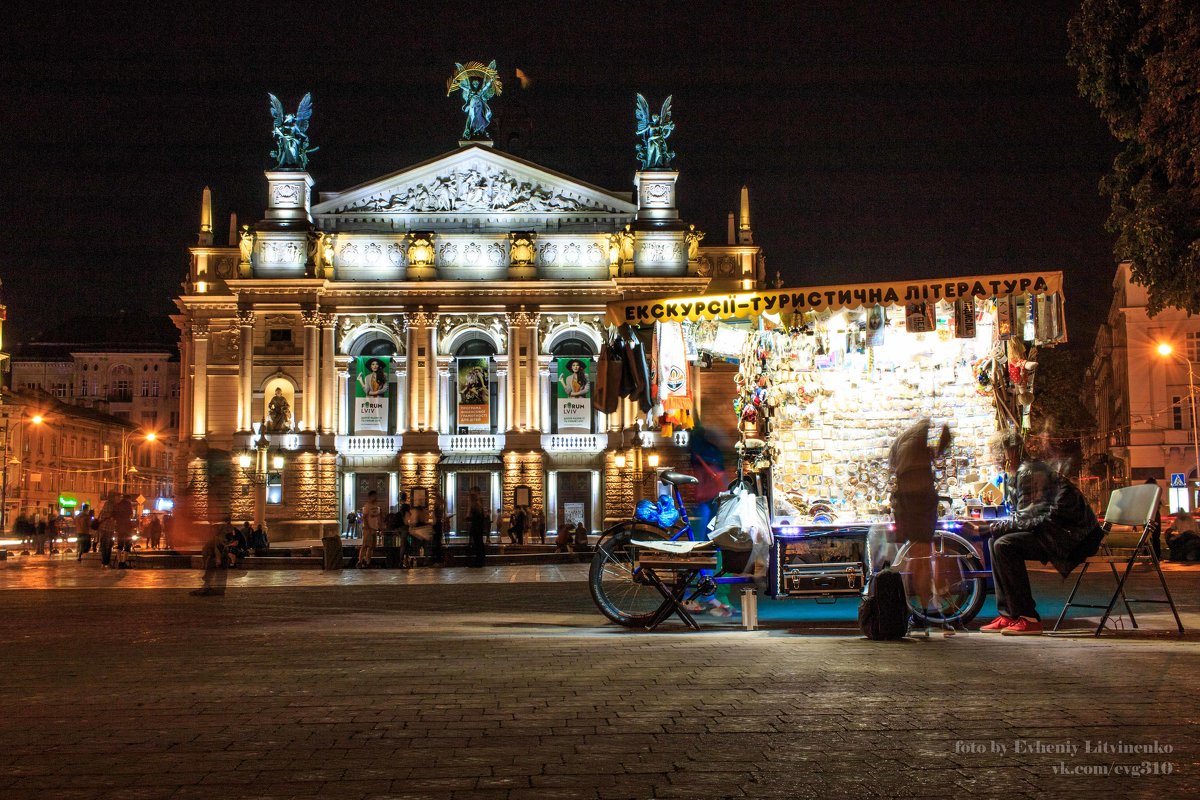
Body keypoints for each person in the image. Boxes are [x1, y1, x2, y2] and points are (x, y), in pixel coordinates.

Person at [970, 429, 1105, 636]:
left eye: (999, 454)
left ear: (1010, 452)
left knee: (1004, 545)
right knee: (995, 542)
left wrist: (990, 527)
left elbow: (1027, 518)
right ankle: (1009, 614)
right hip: (1056, 530)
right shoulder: (1022, 472)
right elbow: (1027, 515)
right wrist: (994, 528)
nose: (997, 460)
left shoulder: (1028, 472)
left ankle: (1028, 618)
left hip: (1074, 536)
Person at [888, 418, 953, 623]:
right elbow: (938, 450)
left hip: (907, 504)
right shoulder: (919, 446)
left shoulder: (904, 443)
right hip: (918, 504)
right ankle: (922, 611)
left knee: (916, 559)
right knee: (922, 558)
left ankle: (916, 610)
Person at [192, 523, 230, 597]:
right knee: (215, 575)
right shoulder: (217, 539)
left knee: (215, 575)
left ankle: (213, 589)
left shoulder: (217, 539)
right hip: (216, 560)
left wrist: (217, 559)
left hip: (216, 560)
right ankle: (212, 589)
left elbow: (218, 549)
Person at [356, 490, 383, 568]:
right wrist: (367, 527)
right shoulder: (367, 506)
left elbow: (378, 517)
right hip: (368, 529)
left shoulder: (377, 507)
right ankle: (360, 561)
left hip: (374, 529)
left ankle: (368, 561)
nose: (375, 498)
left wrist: (380, 527)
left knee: (371, 547)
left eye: (376, 496)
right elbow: (364, 518)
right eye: (374, 496)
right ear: (370, 497)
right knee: (365, 545)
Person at [467, 489, 489, 568]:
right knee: (480, 544)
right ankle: (480, 561)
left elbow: (468, 516)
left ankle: (478, 561)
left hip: (476, 528)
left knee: (477, 544)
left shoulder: (474, 506)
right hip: (479, 528)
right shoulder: (479, 506)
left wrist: (468, 509)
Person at [114, 494, 136, 568]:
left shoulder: (118, 504)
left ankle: (119, 562)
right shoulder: (128, 504)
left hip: (119, 527)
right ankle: (123, 562)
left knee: (119, 545)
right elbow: (131, 515)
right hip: (127, 527)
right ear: (129, 499)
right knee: (127, 545)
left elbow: (115, 515)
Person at [1144, 478, 1163, 560]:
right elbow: (1159, 504)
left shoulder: (1145, 494)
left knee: (1146, 537)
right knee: (1156, 537)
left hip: (1147, 516)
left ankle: (1146, 555)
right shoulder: (1156, 492)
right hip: (1155, 516)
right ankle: (1157, 556)